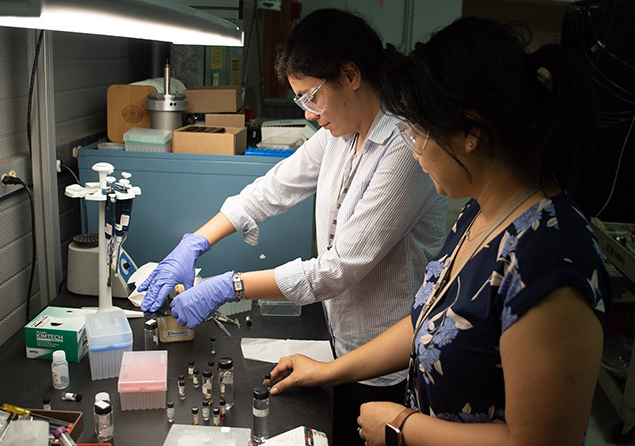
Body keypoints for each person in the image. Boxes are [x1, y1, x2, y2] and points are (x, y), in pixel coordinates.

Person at [264, 17, 611, 446]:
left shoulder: (550, 259)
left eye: (416, 132)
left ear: (470, 133)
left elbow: (538, 442)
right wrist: (329, 371)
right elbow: (429, 320)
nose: (413, 150)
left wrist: (402, 427)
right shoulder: (479, 213)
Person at [138, 9, 447, 446]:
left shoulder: (402, 148)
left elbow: (337, 268)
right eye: (302, 101)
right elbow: (270, 190)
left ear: (350, 75)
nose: (311, 114)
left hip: (384, 361)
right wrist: (194, 243)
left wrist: (230, 286)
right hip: (340, 337)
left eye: (311, 97)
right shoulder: (341, 133)